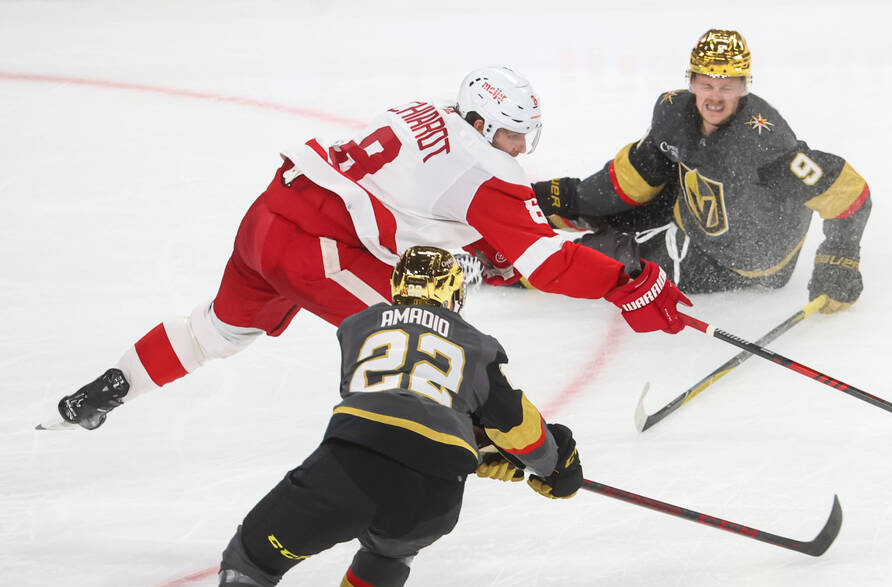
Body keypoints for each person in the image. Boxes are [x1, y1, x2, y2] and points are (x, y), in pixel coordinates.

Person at [43, 65, 691, 431]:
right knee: (427, 337)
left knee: (217, 331)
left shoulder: (430, 110)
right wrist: (623, 281)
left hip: (270, 215)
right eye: (517, 135)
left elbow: (431, 205)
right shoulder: (487, 169)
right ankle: (502, 445)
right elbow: (540, 262)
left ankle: (111, 387)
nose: (523, 148)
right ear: (487, 127)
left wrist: (508, 238)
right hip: (315, 250)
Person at [187, 246, 583, 587]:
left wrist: (479, 452)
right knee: (390, 551)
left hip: (347, 472)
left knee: (252, 562)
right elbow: (513, 429)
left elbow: (396, 413)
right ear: (454, 292)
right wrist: (551, 465)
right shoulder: (477, 345)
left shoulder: (357, 327)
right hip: (432, 498)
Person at [531, 29, 872, 311]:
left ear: (744, 87)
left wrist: (839, 258)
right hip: (692, 208)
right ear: (691, 82)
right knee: (584, 206)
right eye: (707, 84)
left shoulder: (765, 144)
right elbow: (637, 175)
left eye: (728, 87)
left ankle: (505, 264)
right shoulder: (674, 113)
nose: (715, 98)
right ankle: (528, 219)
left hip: (737, 262)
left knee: (600, 261)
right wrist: (576, 197)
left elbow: (847, 193)